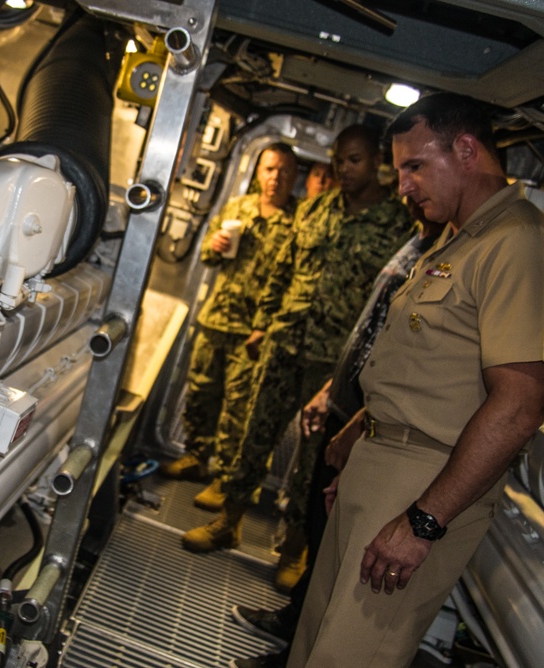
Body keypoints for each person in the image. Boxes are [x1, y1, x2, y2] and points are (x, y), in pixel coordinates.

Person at [284, 93, 544, 667]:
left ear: (467, 150)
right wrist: (359, 434)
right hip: (380, 467)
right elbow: (429, 368)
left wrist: (424, 520)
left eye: (415, 166)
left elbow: (519, 404)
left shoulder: (521, 244)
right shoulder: (454, 240)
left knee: (349, 656)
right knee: (314, 643)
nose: (403, 187)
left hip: (424, 483)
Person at [181, 125, 414, 562]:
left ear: (379, 163)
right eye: (339, 159)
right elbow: (281, 273)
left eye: (355, 160)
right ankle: (229, 522)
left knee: (313, 460)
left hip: (335, 364)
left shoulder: (398, 225)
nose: (344, 169)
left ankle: (293, 549)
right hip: (285, 344)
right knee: (255, 434)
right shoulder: (315, 211)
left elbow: (392, 304)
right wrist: (262, 325)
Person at [227, 199, 445, 667]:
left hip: (374, 419)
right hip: (352, 408)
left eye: (417, 170)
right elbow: (372, 333)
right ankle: (293, 634)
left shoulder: (446, 255)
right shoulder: (418, 243)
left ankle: (297, 654)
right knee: (323, 531)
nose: (406, 188)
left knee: (337, 548)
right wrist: (334, 391)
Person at [161, 143, 298, 513]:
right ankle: (197, 455)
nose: (276, 178)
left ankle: (225, 476)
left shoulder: (297, 221)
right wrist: (216, 245)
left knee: (239, 408)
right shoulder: (238, 208)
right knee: (202, 392)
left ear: (294, 176)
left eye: (285, 171)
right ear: (258, 172)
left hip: (254, 331)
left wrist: (266, 326)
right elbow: (206, 253)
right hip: (217, 317)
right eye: (270, 169)